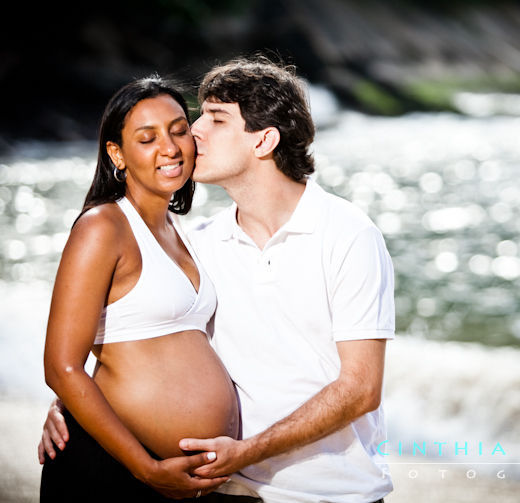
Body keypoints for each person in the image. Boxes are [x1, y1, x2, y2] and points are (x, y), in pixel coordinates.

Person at [40, 56, 395, 503]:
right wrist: (71, 405)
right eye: (198, 116)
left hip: (329, 491)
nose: (193, 132)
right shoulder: (203, 243)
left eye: (215, 119)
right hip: (228, 489)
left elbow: (360, 389)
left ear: (264, 140)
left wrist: (246, 451)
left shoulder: (347, 233)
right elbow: (127, 336)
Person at [38, 75, 239, 501]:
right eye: (147, 139)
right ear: (118, 154)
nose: (170, 148)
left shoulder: (181, 230)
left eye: (179, 130)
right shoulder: (103, 227)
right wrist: (146, 469)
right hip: (115, 470)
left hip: (175, 479)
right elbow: (61, 366)